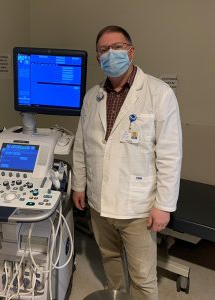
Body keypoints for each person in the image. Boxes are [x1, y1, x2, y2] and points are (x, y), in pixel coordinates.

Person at [72, 25, 182, 300]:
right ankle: (116, 295)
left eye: (117, 47)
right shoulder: (91, 97)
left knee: (143, 277)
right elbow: (81, 145)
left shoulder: (159, 93)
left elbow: (170, 154)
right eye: (103, 50)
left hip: (138, 208)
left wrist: (163, 206)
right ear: (97, 58)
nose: (111, 54)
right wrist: (79, 185)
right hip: (100, 203)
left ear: (131, 52)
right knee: (109, 260)